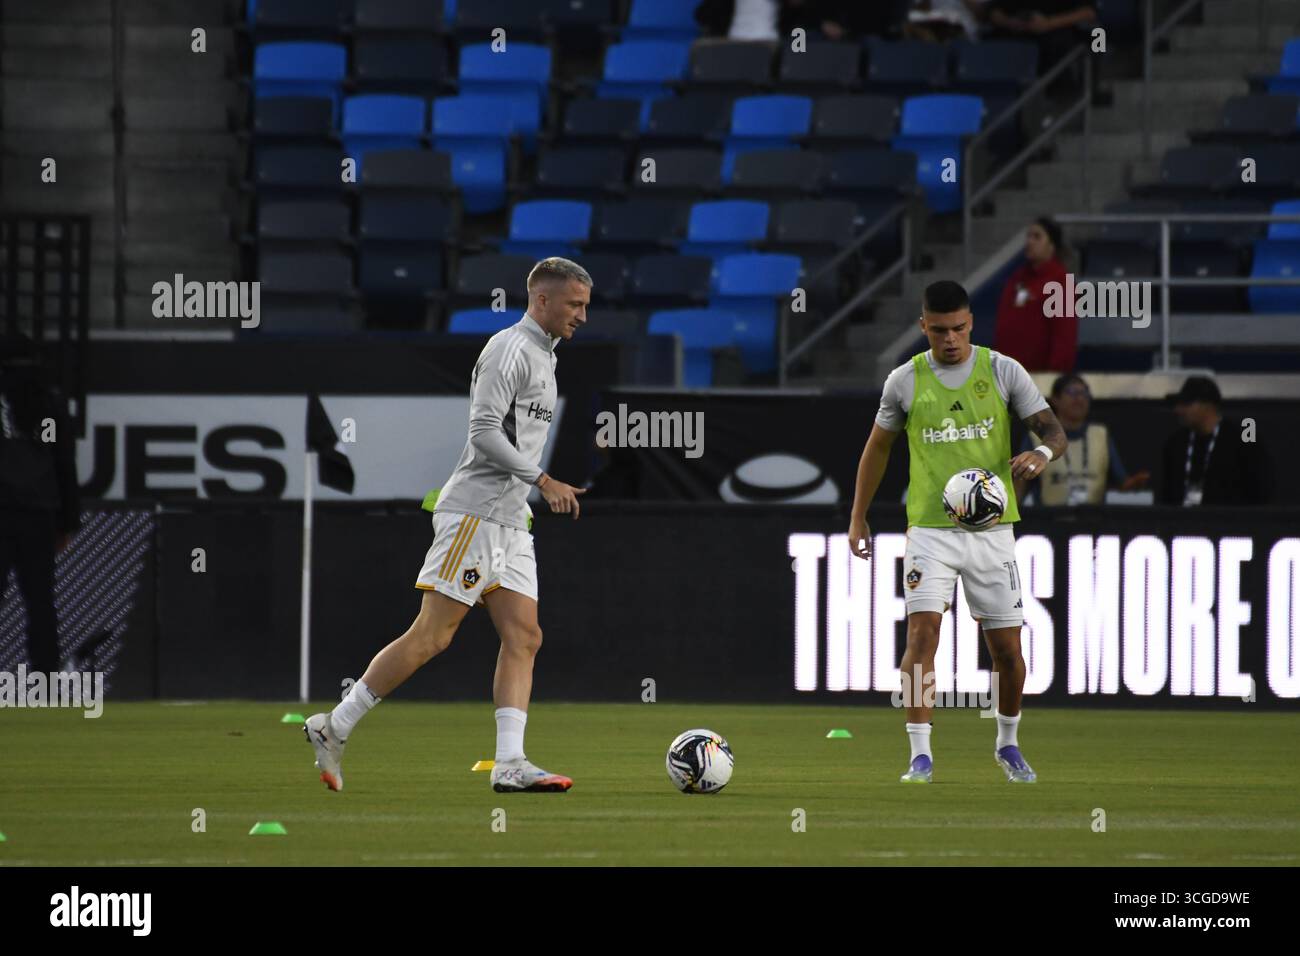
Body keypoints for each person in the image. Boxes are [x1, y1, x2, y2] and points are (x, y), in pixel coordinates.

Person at [305, 258, 592, 794]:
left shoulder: (546, 358)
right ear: (542, 300)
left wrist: (529, 495)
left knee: (524, 636)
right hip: (475, 512)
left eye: (585, 306)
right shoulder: (508, 349)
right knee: (433, 636)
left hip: (510, 518)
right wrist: (544, 480)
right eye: (575, 305)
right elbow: (483, 432)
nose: (582, 316)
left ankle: (510, 763)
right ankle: (334, 725)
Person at [849, 280, 1066, 784]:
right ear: (923, 325)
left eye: (960, 328)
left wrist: (1042, 453)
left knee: (1007, 651)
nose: (951, 339)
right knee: (922, 635)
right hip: (929, 529)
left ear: (972, 324)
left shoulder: (1003, 370)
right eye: (940, 330)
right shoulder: (904, 381)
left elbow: (1054, 430)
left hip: (993, 532)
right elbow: (877, 447)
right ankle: (919, 755)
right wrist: (859, 514)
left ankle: (1008, 744)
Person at [0, 336, 81, 674]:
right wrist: (67, 521)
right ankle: (44, 676)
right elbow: (63, 462)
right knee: (40, 602)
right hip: (37, 514)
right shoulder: (48, 400)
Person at [1013, 373, 1148, 505]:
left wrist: (1135, 484)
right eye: (1072, 392)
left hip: (1093, 522)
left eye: (1084, 393)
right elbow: (1020, 486)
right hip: (1049, 520)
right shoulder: (1036, 437)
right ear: (1055, 399)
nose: (1079, 398)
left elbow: (1121, 483)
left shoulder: (1100, 434)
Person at [1157, 376, 1270, 507]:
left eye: (1186, 404)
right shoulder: (1175, 444)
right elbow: (1168, 497)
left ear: (1208, 406)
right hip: (1183, 524)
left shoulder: (1242, 441)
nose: (1178, 410)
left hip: (1231, 524)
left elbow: (1259, 491)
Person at [993, 216, 1076, 373]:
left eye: (1037, 237)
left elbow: (1064, 336)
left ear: (1052, 246)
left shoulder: (1060, 282)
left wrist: (1053, 376)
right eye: (1028, 236)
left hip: (1038, 377)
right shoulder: (1017, 278)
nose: (1030, 241)